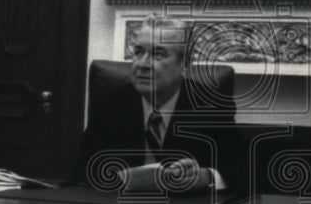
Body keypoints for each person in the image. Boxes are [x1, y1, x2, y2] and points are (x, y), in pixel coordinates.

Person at [76, 17, 240, 192]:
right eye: (138, 52)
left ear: (184, 64)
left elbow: (243, 172)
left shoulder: (211, 106)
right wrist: (115, 179)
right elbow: (82, 174)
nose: (142, 64)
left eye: (158, 54)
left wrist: (207, 177)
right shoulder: (111, 104)